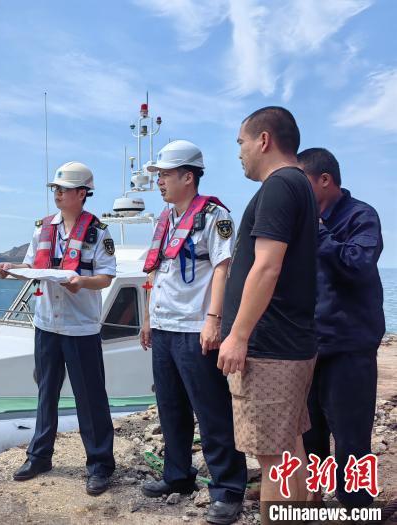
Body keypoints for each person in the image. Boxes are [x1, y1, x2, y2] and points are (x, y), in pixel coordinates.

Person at [139, 140, 247, 524]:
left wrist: (214, 320)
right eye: (159, 176)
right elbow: (156, 271)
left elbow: (223, 267)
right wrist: (149, 318)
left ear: (188, 176)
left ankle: (228, 488)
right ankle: (178, 476)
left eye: (165, 175)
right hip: (165, 327)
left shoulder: (214, 216)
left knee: (212, 410)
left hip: (194, 328)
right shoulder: (165, 220)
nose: (160, 183)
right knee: (170, 408)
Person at [218, 107, 318, 524]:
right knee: (290, 445)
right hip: (289, 344)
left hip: (270, 348)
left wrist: (238, 335)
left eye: (240, 142)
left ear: (263, 139)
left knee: (272, 457)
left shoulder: (280, 186)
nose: (239, 153)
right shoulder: (297, 185)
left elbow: (267, 265)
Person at [0, 161, 117, 495]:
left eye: (63, 190)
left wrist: (83, 282)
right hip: (47, 323)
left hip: (81, 328)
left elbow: (107, 275)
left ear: (82, 194)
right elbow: (34, 265)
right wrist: (11, 268)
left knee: (90, 398)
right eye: (55, 189)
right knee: (46, 392)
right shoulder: (43, 228)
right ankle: (39, 456)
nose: (57, 194)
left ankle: (100, 465)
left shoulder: (99, 232)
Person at [298, 147, 385, 508]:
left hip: (349, 345)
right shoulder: (302, 222)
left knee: (351, 434)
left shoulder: (361, 216)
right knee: (311, 432)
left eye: (301, 182)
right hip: (308, 344)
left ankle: (357, 504)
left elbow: (359, 264)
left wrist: (319, 235)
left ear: (325, 180)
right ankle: (314, 497)